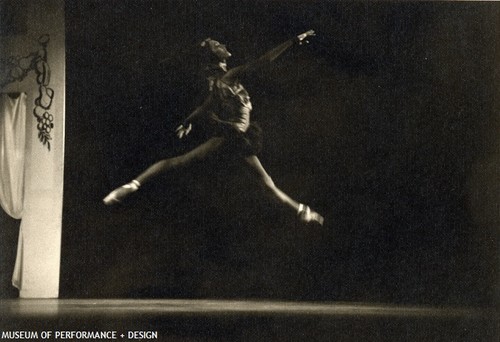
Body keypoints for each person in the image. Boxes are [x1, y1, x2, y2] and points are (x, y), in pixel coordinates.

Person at [103, 30, 324, 225]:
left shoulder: (218, 84)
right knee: (265, 183)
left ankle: (133, 184)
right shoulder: (229, 77)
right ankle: (300, 210)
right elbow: (263, 61)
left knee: (181, 161)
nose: (224, 46)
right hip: (235, 135)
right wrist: (293, 41)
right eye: (219, 45)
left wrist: (187, 121)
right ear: (217, 57)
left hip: (234, 135)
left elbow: (205, 106)